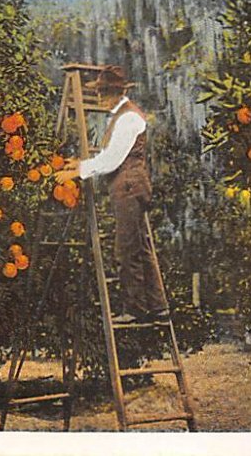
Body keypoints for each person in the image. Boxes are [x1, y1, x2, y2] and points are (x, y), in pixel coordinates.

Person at [54, 65, 169, 324]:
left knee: (127, 249)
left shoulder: (128, 118)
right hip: (131, 185)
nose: (100, 101)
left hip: (128, 186)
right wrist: (79, 163)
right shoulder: (123, 115)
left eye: (103, 95)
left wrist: (79, 171)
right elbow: (111, 155)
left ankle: (136, 309)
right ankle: (158, 306)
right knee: (140, 245)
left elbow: (113, 159)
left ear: (115, 94)